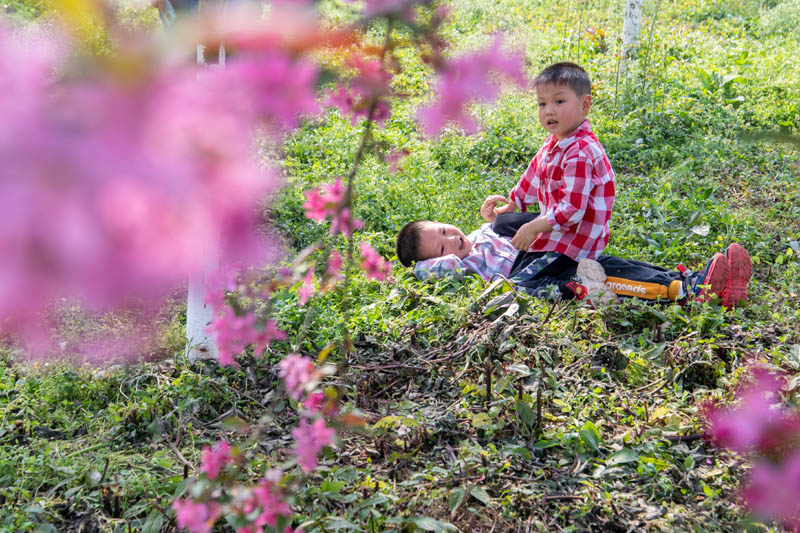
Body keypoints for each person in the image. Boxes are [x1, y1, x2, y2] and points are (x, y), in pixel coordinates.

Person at [395, 212, 752, 307]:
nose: (450, 240)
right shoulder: (461, 267)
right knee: (597, 275)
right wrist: (427, 261)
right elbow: (426, 271)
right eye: (441, 247)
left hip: (548, 254)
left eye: (443, 230)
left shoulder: (483, 232)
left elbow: (526, 221)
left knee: (609, 260)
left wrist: (502, 216)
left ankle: (704, 281)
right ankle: (686, 291)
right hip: (530, 277)